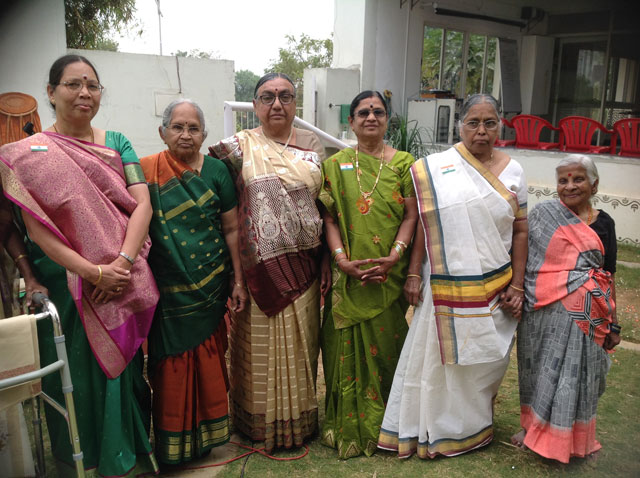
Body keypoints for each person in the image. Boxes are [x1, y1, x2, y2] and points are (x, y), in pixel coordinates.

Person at [0, 54, 159, 476]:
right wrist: (93, 273)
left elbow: (141, 204)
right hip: (67, 283)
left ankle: (126, 457)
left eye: (92, 84)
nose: (84, 92)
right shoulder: (26, 156)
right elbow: (38, 232)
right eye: (73, 84)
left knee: (123, 373)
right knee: (72, 373)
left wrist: (120, 264)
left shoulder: (117, 143)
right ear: (50, 92)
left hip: (123, 275)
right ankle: (80, 462)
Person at [378, 93, 528, 458]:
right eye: (473, 123)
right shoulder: (437, 169)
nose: (481, 131)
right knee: (436, 356)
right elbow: (424, 229)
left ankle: (471, 426)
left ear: (500, 126)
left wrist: (518, 285)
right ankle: (430, 426)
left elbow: (521, 231)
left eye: (489, 123)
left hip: (495, 284)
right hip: (444, 282)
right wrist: (413, 273)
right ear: (459, 125)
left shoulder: (514, 171)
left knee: (485, 359)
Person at [209, 72, 327, 453]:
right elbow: (224, 210)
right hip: (256, 272)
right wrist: (235, 278)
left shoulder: (314, 147)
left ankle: (299, 424)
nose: (277, 104)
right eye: (267, 97)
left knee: (299, 348)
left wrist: (327, 261)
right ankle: (254, 426)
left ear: (296, 103)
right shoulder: (238, 148)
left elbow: (325, 209)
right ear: (255, 105)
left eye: (285, 96)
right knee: (256, 352)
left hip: (304, 269)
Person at [140, 99, 247, 465]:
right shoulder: (146, 171)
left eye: (193, 128)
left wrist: (237, 279)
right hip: (168, 288)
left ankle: (208, 440)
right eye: (177, 127)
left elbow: (231, 228)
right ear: (163, 131)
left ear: (204, 134)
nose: (186, 134)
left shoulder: (217, 171)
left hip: (211, 284)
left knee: (209, 358)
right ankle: (173, 443)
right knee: (170, 363)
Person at [319, 90, 418, 458]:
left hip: (388, 275)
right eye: (363, 112)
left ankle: (386, 427)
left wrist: (395, 257)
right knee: (341, 350)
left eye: (378, 112)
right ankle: (344, 425)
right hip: (347, 276)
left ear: (387, 119)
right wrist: (341, 260)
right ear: (351, 121)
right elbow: (328, 218)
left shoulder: (405, 163)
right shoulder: (336, 164)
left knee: (387, 347)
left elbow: (411, 216)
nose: (370, 117)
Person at [512, 154, 619, 463]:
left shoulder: (604, 223)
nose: (570, 186)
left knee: (577, 376)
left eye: (578, 179)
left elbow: (608, 276)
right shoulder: (543, 216)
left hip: (588, 315)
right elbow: (527, 260)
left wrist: (614, 323)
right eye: (563, 180)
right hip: (542, 309)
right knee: (539, 369)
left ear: (594, 184)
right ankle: (532, 427)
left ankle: (569, 438)